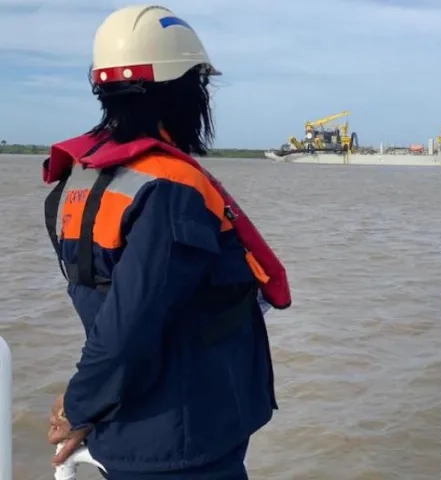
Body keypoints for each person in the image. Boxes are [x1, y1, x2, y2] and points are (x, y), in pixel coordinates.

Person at [42, 5, 291, 479]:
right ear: (182, 92)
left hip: (132, 422)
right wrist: (79, 405)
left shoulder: (79, 180)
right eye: (200, 87)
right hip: (183, 436)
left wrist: (85, 399)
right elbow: (129, 327)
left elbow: (105, 309)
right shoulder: (170, 191)